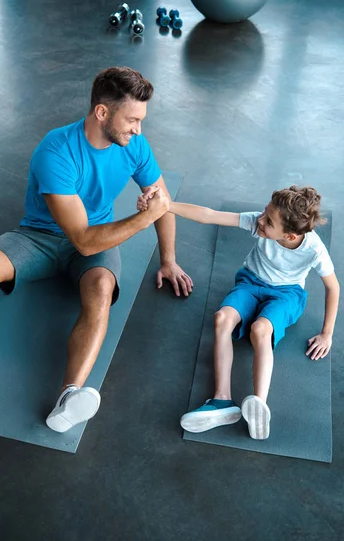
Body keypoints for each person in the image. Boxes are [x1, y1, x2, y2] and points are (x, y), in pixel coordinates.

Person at [0, 66, 193, 432]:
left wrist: (169, 260)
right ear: (102, 113)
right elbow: (82, 238)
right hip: (41, 237)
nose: (138, 129)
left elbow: (162, 202)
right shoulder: (56, 150)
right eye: (132, 120)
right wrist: (142, 219)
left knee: (102, 289)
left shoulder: (134, 145)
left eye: (141, 120)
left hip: (95, 242)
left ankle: (69, 395)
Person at [137, 185, 339, 440]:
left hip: (287, 294)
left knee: (260, 329)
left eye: (269, 221)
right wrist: (166, 205)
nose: (261, 221)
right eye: (265, 212)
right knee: (221, 318)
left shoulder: (314, 249)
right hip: (251, 282)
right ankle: (222, 401)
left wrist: (326, 334)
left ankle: (259, 406)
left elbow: (333, 287)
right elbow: (209, 215)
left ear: (288, 235)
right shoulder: (260, 223)